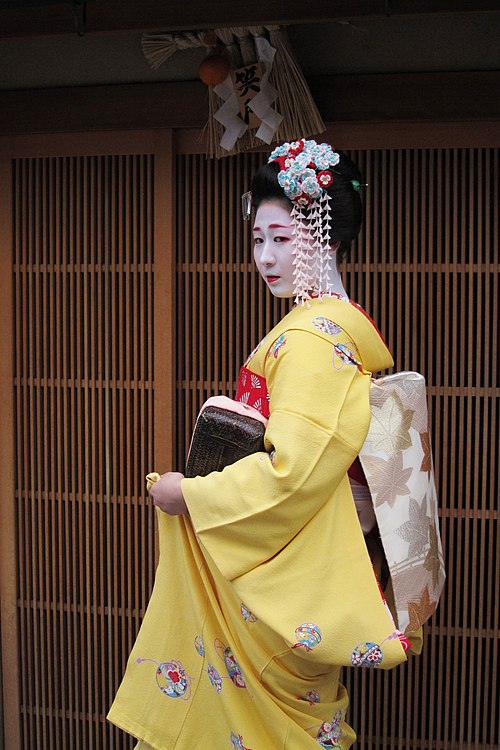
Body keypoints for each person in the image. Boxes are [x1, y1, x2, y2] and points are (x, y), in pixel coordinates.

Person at [107, 139, 423, 749]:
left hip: (277, 582)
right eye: (258, 240)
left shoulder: (311, 340)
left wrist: (188, 494)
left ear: (323, 232)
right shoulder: (337, 331)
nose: (265, 256)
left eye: (283, 237)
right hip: (298, 569)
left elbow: (293, 474)